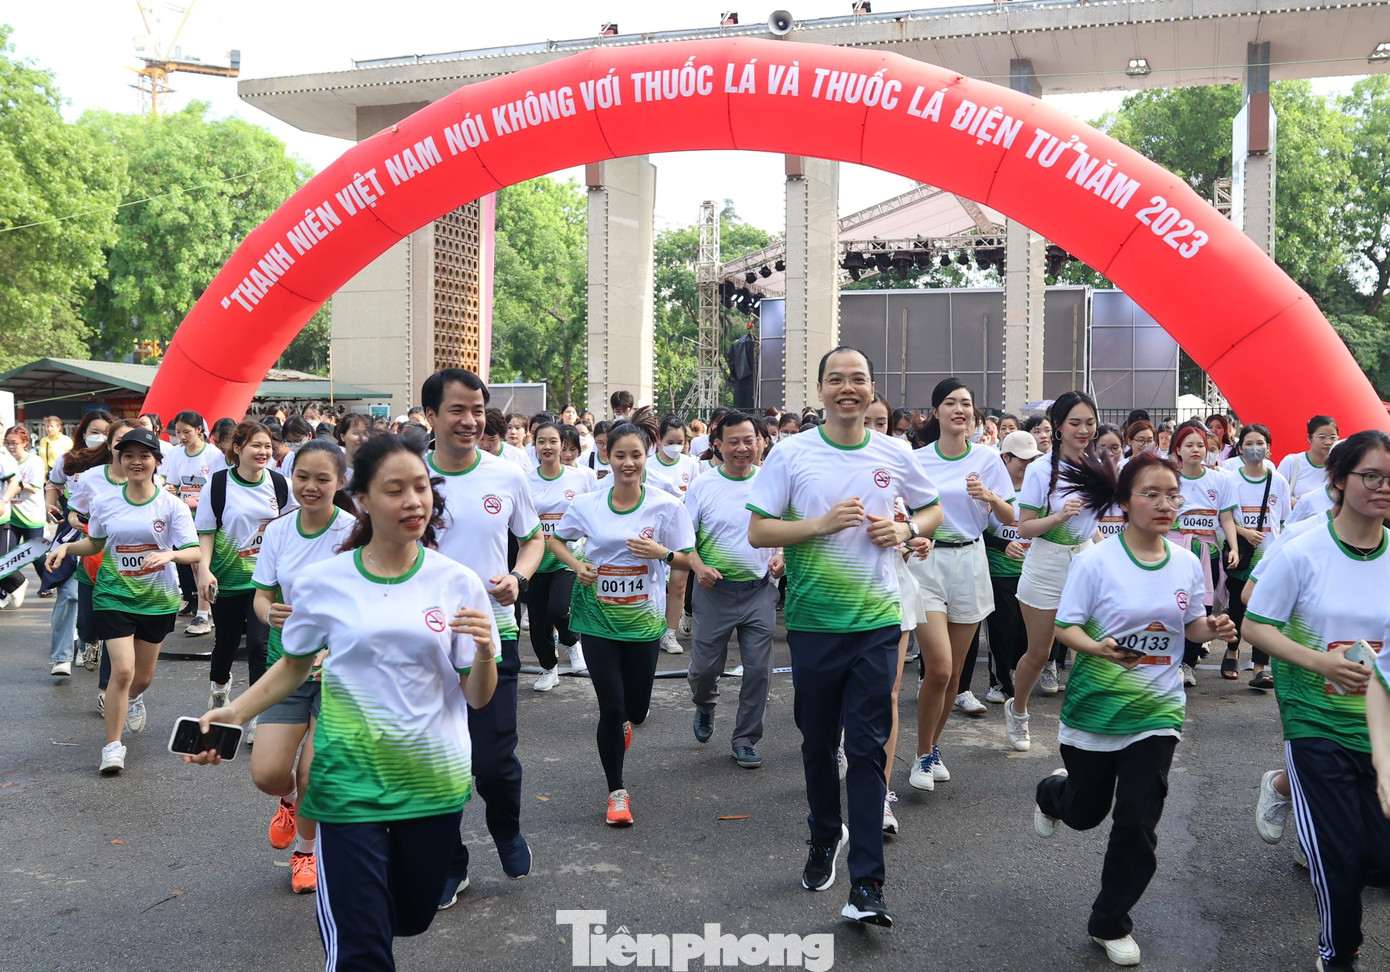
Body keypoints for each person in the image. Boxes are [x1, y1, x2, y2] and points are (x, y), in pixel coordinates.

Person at [184, 433, 499, 970]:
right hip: (347, 782)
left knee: (412, 915)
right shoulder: (323, 582)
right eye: (395, 490)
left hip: (433, 782)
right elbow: (294, 665)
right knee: (361, 947)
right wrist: (235, 712)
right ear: (364, 499)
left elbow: (477, 694)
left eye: (421, 488)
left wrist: (486, 652)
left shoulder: (457, 582)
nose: (413, 502)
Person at [748, 346, 941, 928]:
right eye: (837, 379)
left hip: (878, 622)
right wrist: (819, 526)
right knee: (815, 742)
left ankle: (867, 885)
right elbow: (759, 530)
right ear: (821, 389)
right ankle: (822, 834)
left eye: (858, 379)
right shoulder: (790, 452)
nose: (848, 388)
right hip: (811, 624)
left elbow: (932, 511)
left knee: (866, 747)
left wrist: (904, 527)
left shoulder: (894, 451)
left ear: (872, 388)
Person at [1034, 452, 1237, 968]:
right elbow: (1066, 627)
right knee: (1086, 813)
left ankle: (1110, 920)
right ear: (1124, 502)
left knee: (1137, 820)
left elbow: (1189, 626)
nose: (1166, 503)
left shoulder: (1187, 563)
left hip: (1157, 708)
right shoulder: (1096, 561)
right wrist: (1098, 648)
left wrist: (1208, 630)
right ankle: (1054, 794)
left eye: (1173, 494)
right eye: (1152, 494)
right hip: (1095, 710)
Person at [1245, 429, 1390, 972]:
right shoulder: (1302, 550)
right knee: (1339, 855)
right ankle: (1339, 955)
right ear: (1339, 480)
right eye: (1371, 476)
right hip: (1314, 724)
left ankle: (1279, 787)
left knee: (1379, 860)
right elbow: (1255, 625)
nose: (1382, 487)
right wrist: (1319, 662)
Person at [422, 368, 543, 899]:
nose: (471, 421)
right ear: (429, 416)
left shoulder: (507, 475)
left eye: (477, 410)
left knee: (492, 760)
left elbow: (533, 540)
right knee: (433, 762)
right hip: (420, 640)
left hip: (491, 634)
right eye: (457, 410)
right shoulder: (405, 476)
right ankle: (451, 862)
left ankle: (507, 828)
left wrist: (518, 578)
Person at [549, 411, 696, 826]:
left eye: (635, 455)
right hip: (596, 616)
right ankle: (617, 792)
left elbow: (688, 556)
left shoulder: (666, 505)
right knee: (611, 709)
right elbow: (557, 541)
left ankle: (627, 724)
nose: (627, 463)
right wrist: (577, 567)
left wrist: (662, 555)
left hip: (644, 621)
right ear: (606, 457)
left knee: (637, 706)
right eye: (619, 455)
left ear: (647, 456)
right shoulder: (589, 503)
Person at [44, 427, 200, 774]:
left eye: (144, 455)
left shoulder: (171, 505)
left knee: (141, 679)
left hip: (158, 598)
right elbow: (95, 544)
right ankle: (112, 747)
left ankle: (135, 699)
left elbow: (194, 551)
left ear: (157, 461)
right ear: (119, 458)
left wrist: (169, 557)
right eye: (128, 455)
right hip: (114, 593)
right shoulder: (104, 502)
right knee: (123, 670)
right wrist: (68, 546)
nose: (135, 461)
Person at [249, 440, 355, 895]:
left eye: (322, 479)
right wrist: (267, 612)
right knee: (268, 774)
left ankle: (306, 853)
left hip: (339, 671)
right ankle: (288, 803)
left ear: (341, 482)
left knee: (315, 770)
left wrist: (336, 648)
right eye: (302, 477)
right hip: (286, 666)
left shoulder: (356, 532)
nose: (310, 487)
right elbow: (261, 594)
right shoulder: (278, 531)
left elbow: (368, 600)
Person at [907, 379, 1015, 792]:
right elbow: (902, 508)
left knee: (954, 677)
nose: (959, 409)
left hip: (971, 560)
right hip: (928, 561)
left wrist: (989, 495)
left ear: (973, 414)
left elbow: (1009, 518)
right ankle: (920, 755)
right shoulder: (917, 459)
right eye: (950, 403)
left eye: (966, 404)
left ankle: (932, 748)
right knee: (939, 666)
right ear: (936, 412)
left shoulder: (988, 458)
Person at [1007, 392, 1108, 752]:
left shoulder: (1099, 465)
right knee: (1039, 652)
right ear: (1060, 427)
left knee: (1087, 647)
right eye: (1075, 423)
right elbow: (1025, 528)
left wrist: (1103, 552)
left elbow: (1093, 525)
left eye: (1090, 422)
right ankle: (1017, 709)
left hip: (1085, 562)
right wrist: (1061, 516)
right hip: (1046, 564)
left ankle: (1084, 718)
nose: (1084, 430)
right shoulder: (1038, 469)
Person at [685, 412, 785, 769]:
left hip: (759, 592)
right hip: (715, 592)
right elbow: (684, 542)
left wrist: (781, 555)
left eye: (749, 440)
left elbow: (785, 531)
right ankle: (705, 703)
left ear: (762, 443)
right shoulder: (703, 485)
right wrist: (698, 566)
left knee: (759, 671)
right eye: (733, 442)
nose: (742, 448)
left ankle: (745, 739)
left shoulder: (773, 483)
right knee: (702, 671)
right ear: (717, 445)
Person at [197, 421, 291, 747]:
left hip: (265, 583)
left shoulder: (281, 485)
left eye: (268, 446)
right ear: (237, 449)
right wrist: (204, 571)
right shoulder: (218, 485)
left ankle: (258, 714)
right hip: (228, 579)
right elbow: (206, 532)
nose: (263, 451)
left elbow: (296, 526)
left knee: (258, 646)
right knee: (225, 643)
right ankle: (219, 689)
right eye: (256, 445)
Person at [526, 422, 598, 691]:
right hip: (535, 560)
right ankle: (549, 668)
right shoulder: (525, 479)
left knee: (559, 608)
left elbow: (591, 515)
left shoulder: (581, 478)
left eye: (553, 441)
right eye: (541, 441)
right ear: (534, 446)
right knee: (538, 622)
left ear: (562, 445)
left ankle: (571, 641)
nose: (547, 446)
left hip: (568, 558)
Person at [1167, 423, 1239, 686]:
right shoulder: (1168, 478)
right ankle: (1170, 661)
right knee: (1173, 604)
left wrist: (1233, 547)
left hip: (1207, 551)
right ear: (1178, 449)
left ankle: (1187, 664)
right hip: (1175, 548)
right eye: (1189, 445)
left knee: (1202, 606)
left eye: (1200, 445)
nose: (1196, 450)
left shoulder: (1220, 480)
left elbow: (1227, 517)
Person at [1220, 423, 1290, 688]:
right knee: (1237, 607)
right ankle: (1232, 649)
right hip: (1242, 555)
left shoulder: (1278, 480)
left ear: (1269, 448)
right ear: (1239, 448)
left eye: (1260, 443)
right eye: (1248, 443)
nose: (1254, 449)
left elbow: (1282, 520)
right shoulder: (1231, 480)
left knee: (1264, 610)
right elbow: (1223, 516)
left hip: (1269, 557)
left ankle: (1260, 667)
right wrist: (1244, 533)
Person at [981, 431, 1042, 704]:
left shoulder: (1038, 488)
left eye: (1033, 459)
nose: (1028, 465)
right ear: (1005, 458)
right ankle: (999, 682)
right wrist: (1001, 545)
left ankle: (1016, 676)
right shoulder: (991, 490)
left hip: (1031, 573)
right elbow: (978, 531)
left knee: (1024, 632)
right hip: (999, 572)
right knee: (1002, 630)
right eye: (1022, 459)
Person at [165, 410, 227, 636]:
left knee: (203, 563)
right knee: (193, 564)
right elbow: (172, 483)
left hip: (208, 517)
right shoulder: (175, 454)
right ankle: (206, 609)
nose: (181, 436)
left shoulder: (213, 455)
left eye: (186, 432)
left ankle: (204, 614)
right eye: (178, 432)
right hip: (185, 517)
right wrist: (171, 490)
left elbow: (221, 486)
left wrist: (200, 500)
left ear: (200, 430)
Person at [648, 415, 700, 654]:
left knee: (678, 586)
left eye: (681, 441)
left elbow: (695, 498)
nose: (676, 446)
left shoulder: (691, 464)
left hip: (681, 531)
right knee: (654, 583)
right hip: (653, 532)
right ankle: (652, 627)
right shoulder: (647, 464)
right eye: (671, 441)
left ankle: (669, 633)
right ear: (659, 439)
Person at [4, 426, 48, 596]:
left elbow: (35, 488)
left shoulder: (35, 461)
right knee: (7, 556)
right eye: (7, 443)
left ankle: (48, 584)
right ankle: (9, 589)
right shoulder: (5, 461)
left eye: (14, 443)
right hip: (12, 517)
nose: (11, 447)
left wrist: (14, 485)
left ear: (25, 443)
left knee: (37, 556)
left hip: (32, 517)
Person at [1278, 414, 1339, 505]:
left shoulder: (1340, 465)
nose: (1328, 442)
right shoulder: (1292, 462)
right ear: (1309, 438)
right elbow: (1276, 493)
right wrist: (1304, 507)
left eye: (1333, 437)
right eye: (1322, 437)